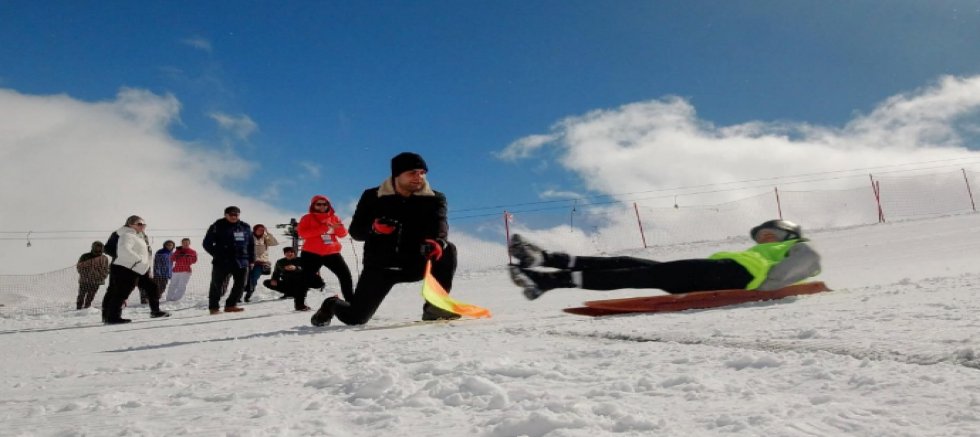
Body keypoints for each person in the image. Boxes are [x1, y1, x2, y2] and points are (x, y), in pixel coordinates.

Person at [311, 152, 459, 326]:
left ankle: (436, 307)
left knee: (448, 248)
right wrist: (375, 229)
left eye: (422, 173)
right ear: (397, 174)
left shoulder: (435, 198)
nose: (419, 177)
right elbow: (357, 232)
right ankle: (331, 304)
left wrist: (438, 241)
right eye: (412, 173)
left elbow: (439, 225)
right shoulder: (372, 196)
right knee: (355, 319)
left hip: (416, 263)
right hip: (380, 267)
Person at [508, 219, 822, 300]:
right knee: (626, 262)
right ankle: (544, 259)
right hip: (714, 274)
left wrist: (762, 289)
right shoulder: (759, 252)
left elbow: (804, 264)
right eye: (762, 235)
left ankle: (548, 280)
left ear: (789, 233)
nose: (765, 238)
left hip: (733, 277)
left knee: (635, 275)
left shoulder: (799, 248)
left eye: (772, 234)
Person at [101, 216, 170, 324]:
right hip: (125, 266)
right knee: (117, 291)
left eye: (144, 224)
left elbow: (144, 251)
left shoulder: (140, 235)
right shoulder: (122, 234)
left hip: (140, 267)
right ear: (130, 224)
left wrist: (143, 263)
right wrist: (134, 260)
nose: (142, 226)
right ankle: (110, 317)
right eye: (139, 224)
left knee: (152, 287)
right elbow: (111, 249)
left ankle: (155, 311)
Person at [295, 195, 354, 311]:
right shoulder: (306, 218)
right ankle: (299, 304)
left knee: (345, 276)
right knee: (305, 278)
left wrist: (338, 228)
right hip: (311, 253)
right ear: (313, 205)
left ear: (328, 205)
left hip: (331, 252)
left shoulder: (334, 218)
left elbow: (342, 234)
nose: (322, 206)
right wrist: (323, 228)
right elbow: (302, 234)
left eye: (324, 204)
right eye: (318, 204)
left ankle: (351, 301)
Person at [202, 206, 254, 314]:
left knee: (241, 284)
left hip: (241, 260)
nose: (234, 217)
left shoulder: (245, 227)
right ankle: (214, 307)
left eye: (236, 214)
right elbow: (207, 243)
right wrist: (217, 254)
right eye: (231, 214)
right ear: (226, 215)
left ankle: (231, 305)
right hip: (222, 261)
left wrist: (251, 259)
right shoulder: (217, 226)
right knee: (217, 284)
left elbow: (251, 244)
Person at [244, 224, 279, 302]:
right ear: (255, 230)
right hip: (248, 262)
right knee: (244, 279)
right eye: (259, 229)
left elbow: (274, 243)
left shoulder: (265, 238)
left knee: (254, 279)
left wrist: (268, 233)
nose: (261, 231)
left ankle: (248, 295)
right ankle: (238, 296)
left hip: (261, 263)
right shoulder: (249, 237)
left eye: (262, 230)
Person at [76, 241, 109, 309]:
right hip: (84, 280)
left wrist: (103, 276)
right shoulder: (85, 256)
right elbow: (79, 267)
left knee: (91, 295)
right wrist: (85, 274)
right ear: (93, 247)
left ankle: (87, 308)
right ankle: (78, 308)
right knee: (81, 295)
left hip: (96, 281)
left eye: (100, 248)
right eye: (96, 247)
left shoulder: (104, 258)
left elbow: (106, 269)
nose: (98, 249)